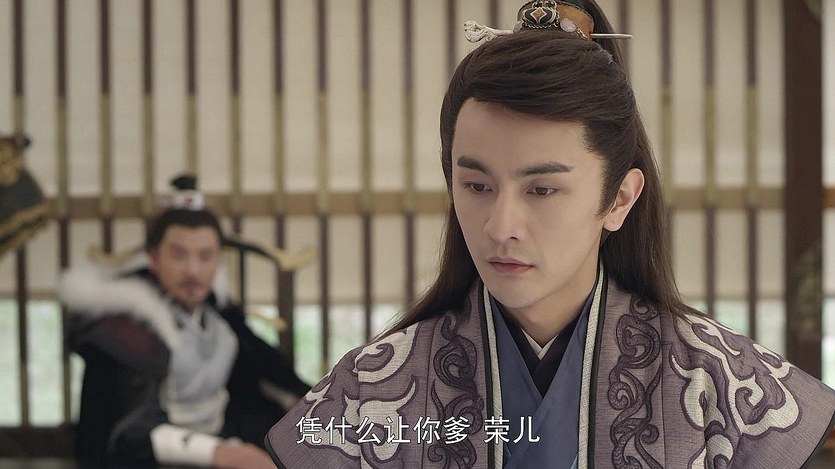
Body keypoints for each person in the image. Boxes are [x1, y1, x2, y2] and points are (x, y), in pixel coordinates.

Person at [266, 1, 835, 468]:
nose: (500, 226)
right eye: (476, 185)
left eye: (541, 189)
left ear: (619, 198)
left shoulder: (719, 385)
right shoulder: (371, 389)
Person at [61, 175, 309, 468]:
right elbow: (127, 428)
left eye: (205, 256)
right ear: (154, 258)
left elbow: (260, 381)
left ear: (218, 260)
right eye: (179, 255)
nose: (193, 270)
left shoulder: (222, 322)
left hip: (223, 444)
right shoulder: (128, 329)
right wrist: (217, 453)